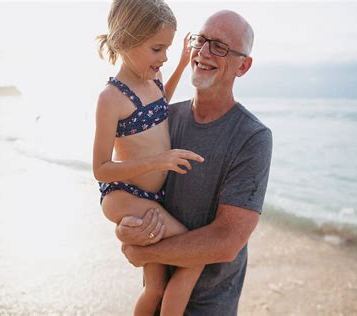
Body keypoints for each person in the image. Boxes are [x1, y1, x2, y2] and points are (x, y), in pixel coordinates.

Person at [115, 10, 273, 315]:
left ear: (244, 66)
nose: (203, 52)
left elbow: (227, 240)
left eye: (220, 46)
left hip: (210, 307)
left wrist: (144, 250)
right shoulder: (163, 119)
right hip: (153, 299)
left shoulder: (252, 137)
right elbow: (131, 194)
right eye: (201, 40)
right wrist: (125, 230)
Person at [92, 0, 205, 315]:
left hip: (152, 197)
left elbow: (157, 105)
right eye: (157, 49)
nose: (164, 57)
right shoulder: (111, 98)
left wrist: (182, 64)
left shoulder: (153, 79)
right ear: (127, 41)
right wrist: (159, 161)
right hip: (124, 195)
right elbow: (101, 169)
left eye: (168, 49)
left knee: (155, 287)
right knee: (192, 254)